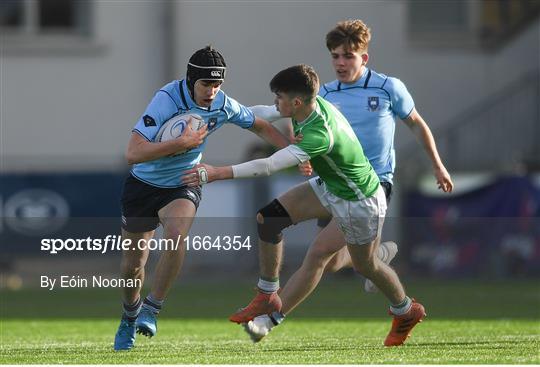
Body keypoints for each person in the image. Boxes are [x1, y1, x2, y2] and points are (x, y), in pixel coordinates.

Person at [183, 64, 426, 347]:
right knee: (269, 219)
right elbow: (264, 111)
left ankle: (405, 309)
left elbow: (269, 164)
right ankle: (267, 295)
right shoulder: (306, 105)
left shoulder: (318, 134)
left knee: (357, 263)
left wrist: (217, 173)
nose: (276, 103)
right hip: (330, 185)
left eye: (279, 98)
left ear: (296, 102)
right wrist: (218, 115)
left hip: (359, 200)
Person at [243, 19, 454, 345]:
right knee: (326, 255)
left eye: (348, 56)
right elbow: (299, 124)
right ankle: (377, 264)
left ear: (364, 58)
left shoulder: (387, 88)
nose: (341, 63)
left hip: (369, 188)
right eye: (335, 56)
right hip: (330, 183)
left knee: (320, 255)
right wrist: (302, 152)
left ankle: (270, 319)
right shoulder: (324, 92)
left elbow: (417, 124)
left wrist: (438, 166)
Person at [113, 45, 292, 351]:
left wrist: (293, 151)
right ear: (190, 81)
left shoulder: (222, 105)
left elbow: (259, 124)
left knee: (175, 235)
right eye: (206, 84)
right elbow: (133, 153)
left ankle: (152, 309)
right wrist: (180, 142)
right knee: (132, 266)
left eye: (217, 84)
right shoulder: (166, 99)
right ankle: (129, 318)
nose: (212, 91)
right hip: (143, 185)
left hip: (184, 182)